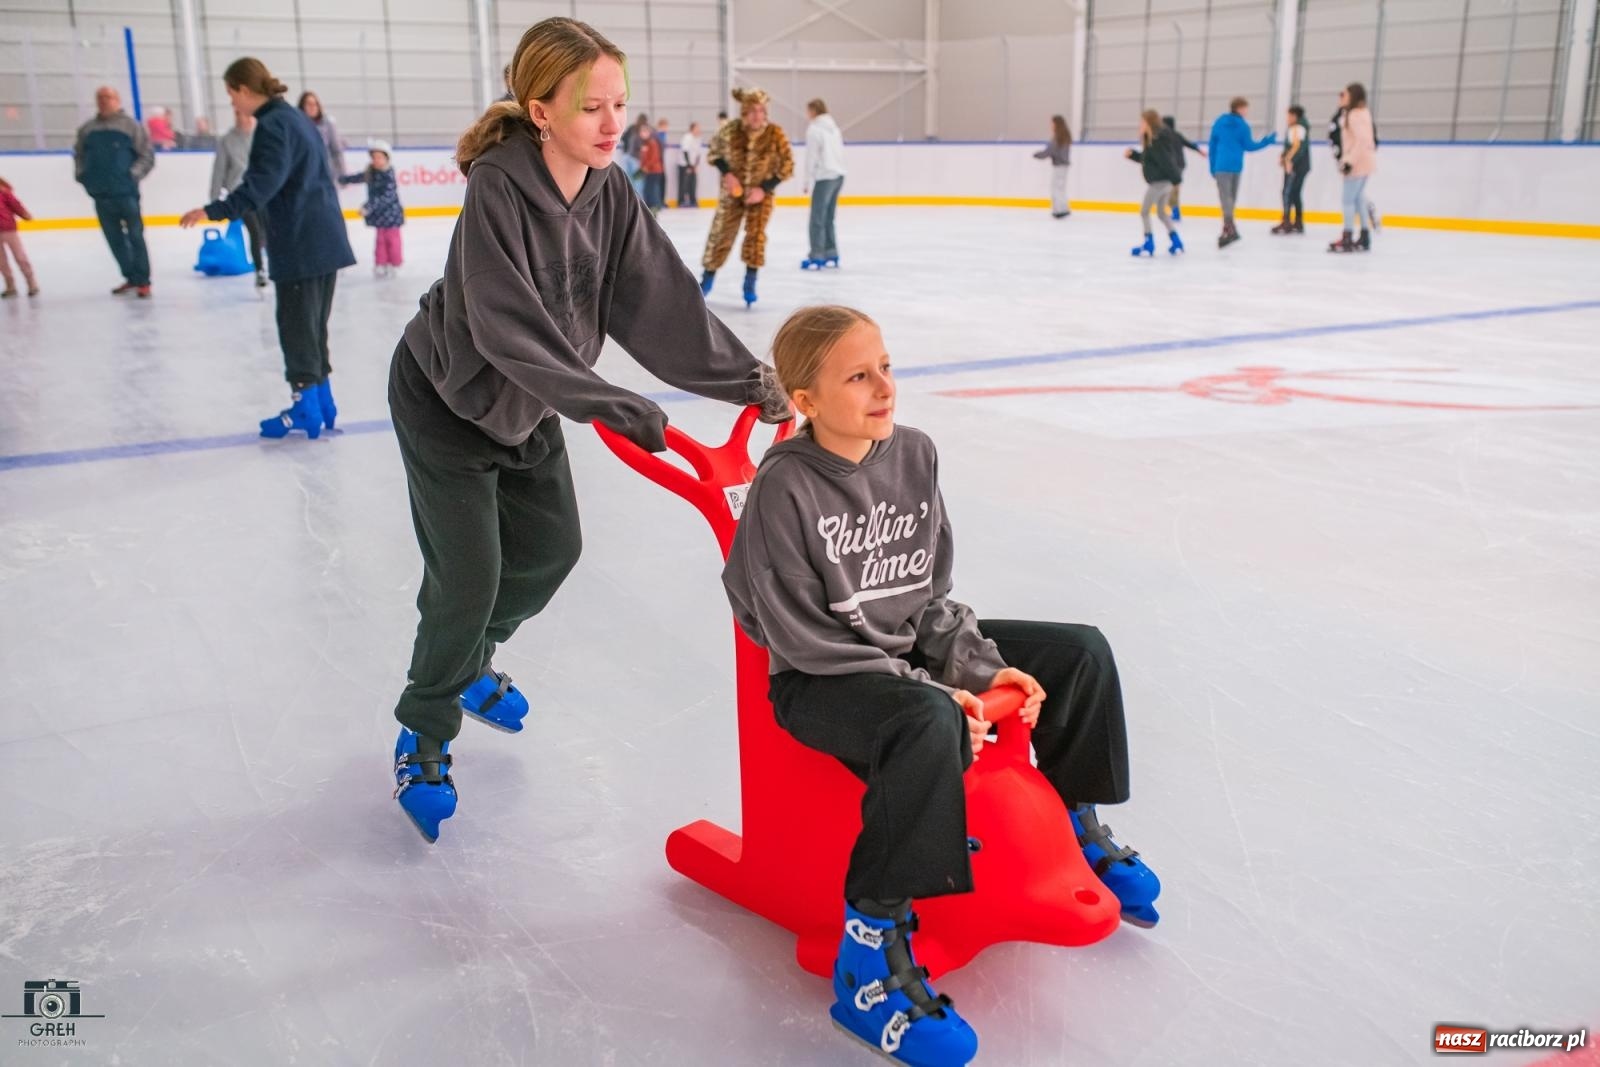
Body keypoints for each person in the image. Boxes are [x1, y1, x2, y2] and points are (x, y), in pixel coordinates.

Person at [382, 17, 791, 844]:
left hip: (532, 402)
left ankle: (465, 663)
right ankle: (424, 730)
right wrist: (602, 398)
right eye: (591, 107)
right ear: (540, 110)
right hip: (449, 399)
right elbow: (504, 325)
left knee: (551, 551)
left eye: (619, 104)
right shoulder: (498, 186)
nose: (614, 125)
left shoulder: (609, 192)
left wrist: (748, 379)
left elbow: (660, 303)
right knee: (469, 577)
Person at [721, 304, 1162, 1067]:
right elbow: (798, 636)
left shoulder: (914, 454)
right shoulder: (782, 488)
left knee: (1079, 653)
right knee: (926, 720)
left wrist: (982, 669)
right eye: (857, 376)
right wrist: (929, 690)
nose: (883, 386)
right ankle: (868, 953)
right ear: (807, 400)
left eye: (886, 366)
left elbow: (929, 600)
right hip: (821, 677)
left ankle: (1073, 828)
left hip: (902, 658)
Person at [179, 57, 356, 439]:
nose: (233, 105)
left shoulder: (274, 126)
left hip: (301, 243)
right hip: (324, 239)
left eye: (231, 96)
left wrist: (212, 210)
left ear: (244, 89)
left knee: (296, 328)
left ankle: (306, 407)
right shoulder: (297, 119)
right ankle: (324, 404)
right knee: (312, 327)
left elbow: (260, 185)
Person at [699, 86, 794, 307]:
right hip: (732, 194)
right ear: (744, 112)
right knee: (721, 233)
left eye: (761, 110)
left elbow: (788, 165)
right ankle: (707, 280)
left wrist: (765, 188)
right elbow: (714, 153)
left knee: (756, 236)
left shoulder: (775, 134)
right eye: (752, 111)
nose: (757, 115)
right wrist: (728, 175)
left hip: (761, 196)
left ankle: (750, 282)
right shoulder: (730, 130)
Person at [73, 86, 155, 297]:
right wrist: (83, 177)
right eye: (100, 97)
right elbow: (79, 155)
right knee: (114, 239)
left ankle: (143, 280)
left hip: (126, 193)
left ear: (117, 100)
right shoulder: (87, 130)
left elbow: (146, 155)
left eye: (108, 97)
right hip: (101, 194)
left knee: (136, 236)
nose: (104, 101)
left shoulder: (131, 126)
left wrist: (132, 175)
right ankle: (130, 277)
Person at [210, 104, 268, 286]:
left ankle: (270, 265)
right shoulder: (227, 140)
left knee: (266, 232)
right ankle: (259, 270)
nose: (243, 118)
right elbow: (219, 170)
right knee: (255, 231)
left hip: (263, 191)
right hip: (240, 193)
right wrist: (214, 200)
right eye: (240, 114)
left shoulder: (262, 135)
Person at [1207, 96, 1275, 248]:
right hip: (1234, 166)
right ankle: (1228, 227)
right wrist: (1266, 142)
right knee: (1230, 198)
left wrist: (1212, 166)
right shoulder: (1243, 126)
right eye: (1245, 108)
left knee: (1226, 198)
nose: (1246, 112)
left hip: (1221, 166)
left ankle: (1230, 227)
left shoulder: (1219, 122)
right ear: (1239, 108)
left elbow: (1212, 146)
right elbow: (1250, 146)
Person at [340, 140, 405, 274]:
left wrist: (368, 207)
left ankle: (394, 263)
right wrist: (343, 179)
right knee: (380, 240)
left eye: (379, 157)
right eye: (374, 157)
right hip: (380, 216)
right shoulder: (371, 171)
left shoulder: (388, 175)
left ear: (386, 158)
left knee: (392, 241)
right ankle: (380, 263)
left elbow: (387, 196)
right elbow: (358, 177)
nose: (376, 160)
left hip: (392, 214)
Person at [1125, 109, 1184, 257]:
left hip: (1160, 183)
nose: (1140, 124)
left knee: (1144, 211)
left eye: (1143, 122)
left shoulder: (1156, 141)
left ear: (1149, 122)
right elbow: (1149, 161)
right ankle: (1176, 241)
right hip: (1165, 182)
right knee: (1161, 213)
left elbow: (1166, 161)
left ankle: (1149, 243)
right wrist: (1133, 155)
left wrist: (1176, 179)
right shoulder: (1152, 140)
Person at [1330, 83, 1377, 254]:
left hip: (1357, 162)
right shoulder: (1363, 112)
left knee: (1348, 200)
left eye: (1345, 94)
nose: (1342, 96)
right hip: (1366, 161)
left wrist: (1349, 161)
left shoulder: (1354, 115)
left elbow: (1361, 140)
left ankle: (1348, 236)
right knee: (1358, 200)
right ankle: (1364, 236)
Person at [802, 97, 847, 268]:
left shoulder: (814, 129)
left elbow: (811, 156)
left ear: (813, 111)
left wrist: (806, 180)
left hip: (825, 176)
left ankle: (817, 254)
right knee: (828, 216)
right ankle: (831, 251)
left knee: (817, 218)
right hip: (839, 175)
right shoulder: (834, 128)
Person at [1272, 104, 1311, 235]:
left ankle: (1287, 221)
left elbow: (1297, 147)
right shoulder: (1297, 128)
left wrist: (1289, 161)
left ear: (1294, 116)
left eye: (1289, 115)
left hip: (1296, 166)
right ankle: (1298, 222)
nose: (1287, 118)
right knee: (1295, 193)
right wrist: (1284, 156)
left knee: (1287, 192)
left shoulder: (1297, 128)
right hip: (1300, 165)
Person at [0, 176, 39, 297]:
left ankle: (31, 283)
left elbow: (15, 205)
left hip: (8, 229)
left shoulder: (3, 192)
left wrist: (24, 214)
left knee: (20, 257)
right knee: (1, 262)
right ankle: (10, 286)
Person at [1160, 115, 1204, 221]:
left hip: (1173, 166)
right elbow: (1189, 144)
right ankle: (1175, 211)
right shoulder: (1177, 135)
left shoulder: (1165, 136)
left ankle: (1175, 211)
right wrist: (1199, 150)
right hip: (1180, 165)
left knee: (1171, 189)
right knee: (1172, 189)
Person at [1032, 114, 1072, 220]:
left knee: (1056, 188)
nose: (1051, 125)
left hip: (1059, 166)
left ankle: (1060, 210)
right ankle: (1063, 208)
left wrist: (1037, 155)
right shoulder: (1065, 135)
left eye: (1052, 123)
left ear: (1056, 124)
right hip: (1063, 165)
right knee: (1060, 188)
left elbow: (1049, 151)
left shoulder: (1058, 137)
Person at [297, 90, 345, 179]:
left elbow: (336, 150)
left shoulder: (327, 124)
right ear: (302, 106)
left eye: (315, 104)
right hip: (303, 175)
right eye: (309, 104)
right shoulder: (296, 125)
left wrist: (342, 174)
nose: (312, 107)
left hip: (325, 173)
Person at [637, 118, 665, 212]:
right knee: (647, 189)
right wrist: (642, 167)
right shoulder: (644, 143)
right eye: (641, 132)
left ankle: (655, 206)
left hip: (655, 170)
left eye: (644, 131)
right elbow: (643, 157)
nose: (642, 133)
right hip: (648, 170)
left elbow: (654, 158)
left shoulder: (652, 143)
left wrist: (646, 167)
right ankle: (649, 207)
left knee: (653, 189)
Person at [678, 120, 703, 207]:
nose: (699, 130)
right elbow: (685, 151)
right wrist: (689, 165)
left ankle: (693, 200)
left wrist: (695, 166)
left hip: (693, 165)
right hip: (685, 164)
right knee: (684, 184)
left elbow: (698, 154)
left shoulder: (698, 139)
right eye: (697, 128)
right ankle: (681, 201)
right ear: (692, 129)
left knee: (693, 183)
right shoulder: (687, 137)